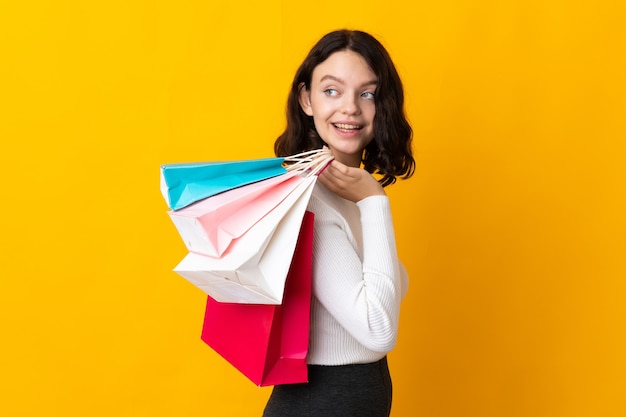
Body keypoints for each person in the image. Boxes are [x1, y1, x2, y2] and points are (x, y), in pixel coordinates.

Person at [263, 29, 415, 417]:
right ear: (306, 100)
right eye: (331, 90)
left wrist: (368, 200)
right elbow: (378, 328)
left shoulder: (354, 194)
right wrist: (374, 202)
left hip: (357, 396)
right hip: (321, 401)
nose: (350, 108)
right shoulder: (311, 201)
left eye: (367, 93)